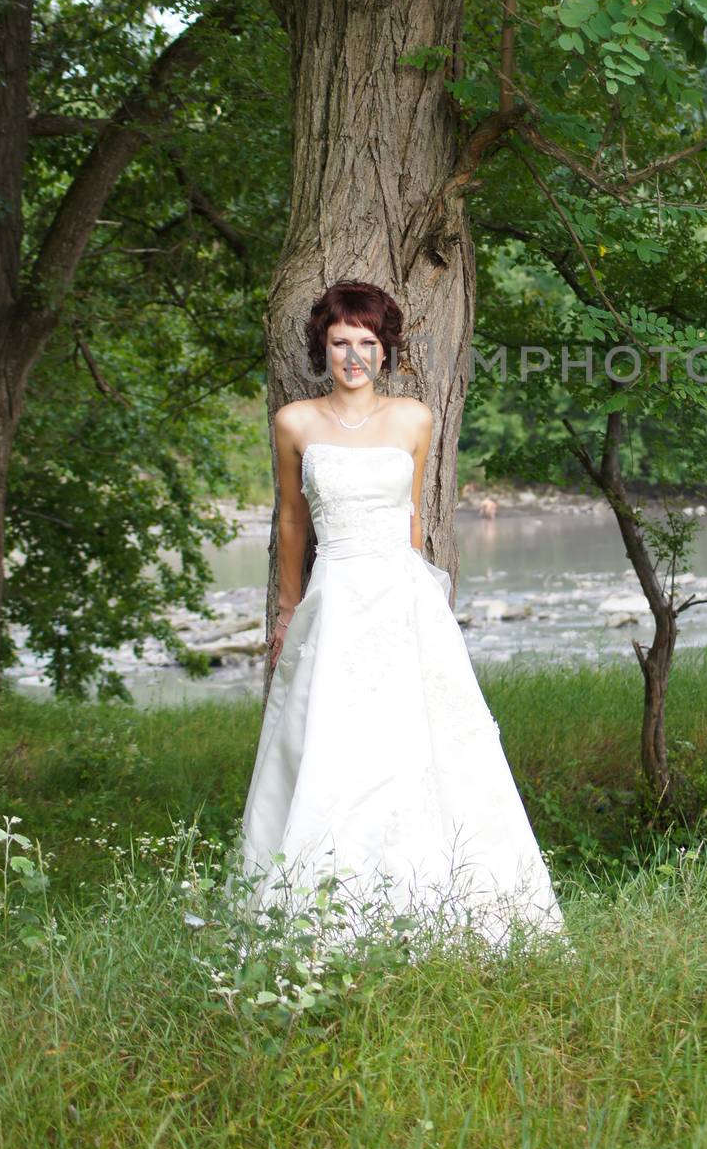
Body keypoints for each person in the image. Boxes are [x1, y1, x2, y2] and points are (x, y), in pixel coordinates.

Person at [224, 280, 568, 959]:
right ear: (322, 349)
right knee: (330, 739)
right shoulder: (295, 421)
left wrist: (422, 607)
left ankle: (436, 899)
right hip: (334, 597)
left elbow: (412, 516)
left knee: (421, 743)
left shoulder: (413, 418)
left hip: (401, 595)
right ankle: (319, 909)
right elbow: (293, 521)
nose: (353, 356)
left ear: (386, 352)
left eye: (366, 344)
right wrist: (288, 610)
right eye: (340, 343)